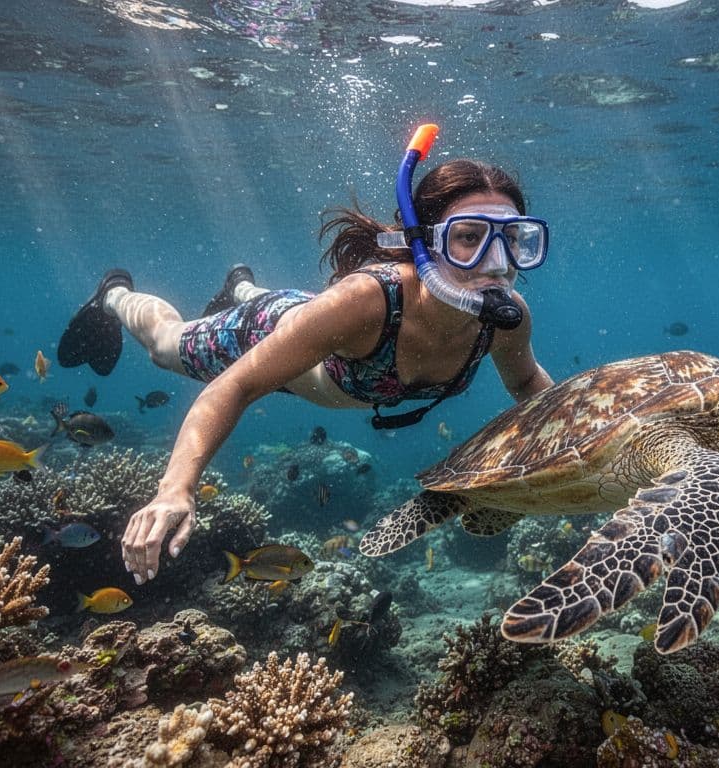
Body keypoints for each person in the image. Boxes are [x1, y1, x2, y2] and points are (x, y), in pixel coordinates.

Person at [58, 157, 555, 584]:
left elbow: (531, 388)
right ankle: (115, 294)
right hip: (266, 330)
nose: (498, 262)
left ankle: (240, 286)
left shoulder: (505, 319)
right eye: (468, 238)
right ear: (422, 244)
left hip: (311, 327)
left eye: (514, 239)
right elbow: (237, 385)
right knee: (166, 347)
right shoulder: (366, 302)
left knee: (291, 311)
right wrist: (176, 488)